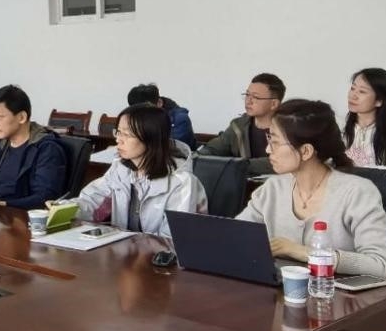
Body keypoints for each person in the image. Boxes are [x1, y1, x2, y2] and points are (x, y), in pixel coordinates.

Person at [237, 99, 386, 279]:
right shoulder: (272, 188)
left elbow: (383, 265)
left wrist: (303, 252)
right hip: (280, 291)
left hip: (336, 294)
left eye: (274, 141)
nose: (268, 149)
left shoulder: (357, 192)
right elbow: (236, 237)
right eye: (269, 138)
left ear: (306, 151)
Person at [70, 104, 207, 236]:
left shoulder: (182, 183)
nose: (118, 140)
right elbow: (91, 201)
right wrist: (63, 210)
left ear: (152, 137)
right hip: (126, 249)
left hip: (158, 252)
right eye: (118, 132)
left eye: (127, 134)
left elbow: (172, 240)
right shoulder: (120, 170)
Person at [0, 85, 66, 209]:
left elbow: (44, 198)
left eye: (0, 116)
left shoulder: (47, 149)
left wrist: (1, 204)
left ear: (21, 117)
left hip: (24, 217)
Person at [197, 73, 286, 175]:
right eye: (247, 95)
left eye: (256, 97)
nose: (248, 101)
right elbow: (214, 149)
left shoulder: (288, 130)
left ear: (274, 104)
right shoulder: (238, 126)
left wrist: (239, 165)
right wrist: (198, 156)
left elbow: (280, 162)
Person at [127, 83, 197, 150]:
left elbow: (172, 149)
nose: (141, 116)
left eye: (144, 111)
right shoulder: (135, 117)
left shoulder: (179, 120)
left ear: (159, 103)